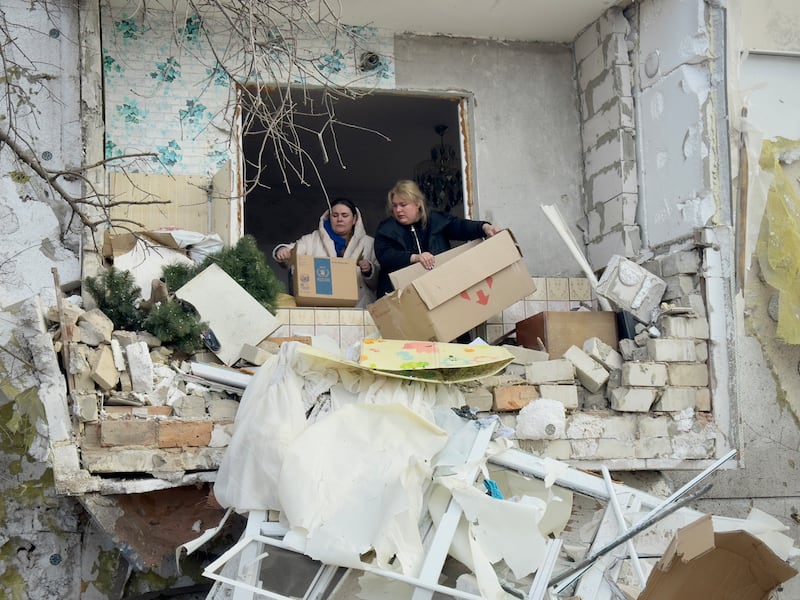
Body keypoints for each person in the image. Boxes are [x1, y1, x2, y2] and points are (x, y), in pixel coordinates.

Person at [373, 179, 502, 298]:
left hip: (437, 291)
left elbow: (460, 226)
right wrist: (414, 257)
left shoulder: (436, 220)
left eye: (403, 205)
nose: (398, 210)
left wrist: (484, 227)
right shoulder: (386, 228)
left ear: (417, 204)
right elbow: (384, 255)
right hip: (401, 297)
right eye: (395, 206)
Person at [273, 198, 379, 307]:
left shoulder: (369, 243)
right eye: (335, 215)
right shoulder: (313, 239)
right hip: (322, 311)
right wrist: (282, 251)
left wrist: (369, 270)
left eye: (345, 215)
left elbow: (379, 281)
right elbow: (293, 251)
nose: (340, 219)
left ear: (354, 219)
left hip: (359, 310)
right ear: (329, 217)